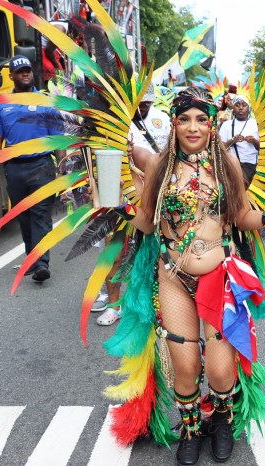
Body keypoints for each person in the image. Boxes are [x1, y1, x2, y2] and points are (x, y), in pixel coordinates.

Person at [108, 87, 265, 465]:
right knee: (185, 367)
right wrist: (113, 206)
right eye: (184, 119)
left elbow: (243, 218)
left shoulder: (227, 166)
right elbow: (147, 226)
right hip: (173, 277)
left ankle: (221, 421)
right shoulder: (159, 168)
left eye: (201, 119)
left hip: (219, 276)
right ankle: (190, 429)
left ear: (212, 124)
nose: (192, 127)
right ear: (174, 124)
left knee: (219, 372)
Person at [93, 85, 172, 325]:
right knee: (113, 254)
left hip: (154, 197)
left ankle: (153, 304)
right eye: (139, 103)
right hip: (120, 197)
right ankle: (114, 305)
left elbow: (171, 154)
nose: (143, 107)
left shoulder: (164, 120)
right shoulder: (116, 123)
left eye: (147, 103)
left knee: (153, 254)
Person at [0, 55, 66, 282]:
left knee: (41, 214)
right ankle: (32, 258)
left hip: (42, 165)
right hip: (14, 168)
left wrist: (61, 169)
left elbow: (57, 137)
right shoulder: (1, 105)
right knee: (23, 216)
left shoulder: (45, 101)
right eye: (20, 71)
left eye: (28, 70)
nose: (25, 73)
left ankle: (41, 263)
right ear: (11, 76)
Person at [218, 94, 259, 187]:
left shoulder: (255, 124)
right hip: (232, 166)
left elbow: (264, 148)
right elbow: (220, 148)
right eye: (237, 105)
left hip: (251, 166)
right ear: (233, 108)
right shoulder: (226, 125)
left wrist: (254, 141)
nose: (240, 108)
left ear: (249, 108)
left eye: (244, 105)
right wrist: (232, 141)